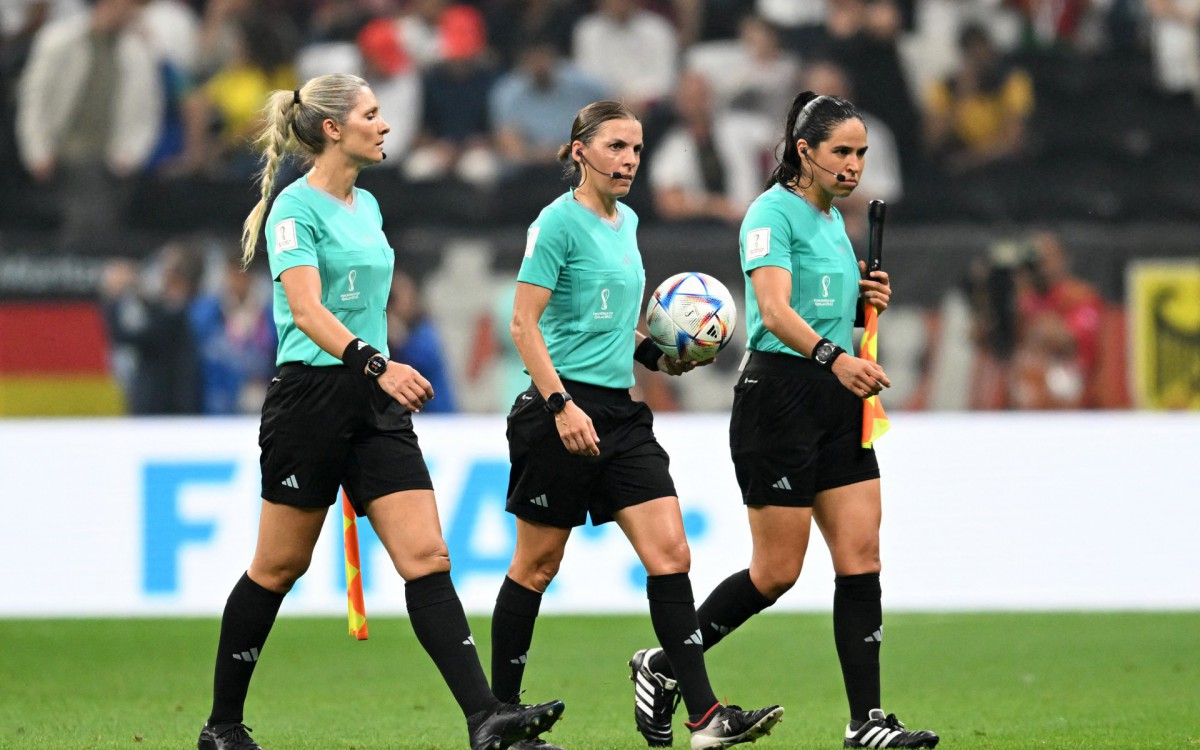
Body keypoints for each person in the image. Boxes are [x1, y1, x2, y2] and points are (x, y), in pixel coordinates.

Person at [196, 73, 563, 750]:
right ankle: (221, 727)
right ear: (334, 129)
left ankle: (485, 719)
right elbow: (306, 311)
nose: (385, 124)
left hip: (373, 403)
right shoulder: (293, 212)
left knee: (427, 555)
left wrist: (377, 374)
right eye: (372, 114)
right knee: (278, 567)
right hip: (311, 398)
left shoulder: (367, 207)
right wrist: (377, 363)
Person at [629, 92, 940, 749]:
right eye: (842, 153)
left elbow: (818, 307)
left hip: (835, 398)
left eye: (861, 154)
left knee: (862, 558)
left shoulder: (833, 219)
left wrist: (860, 307)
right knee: (776, 572)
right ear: (805, 152)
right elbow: (772, 313)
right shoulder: (769, 214)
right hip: (781, 402)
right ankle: (663, 665)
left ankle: (867, 722)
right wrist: (836, 357)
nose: (855, 166)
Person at [488, 100, 784, 750]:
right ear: (579, 151)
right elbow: (522, 324)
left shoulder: (627, 223)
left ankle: (705, 719)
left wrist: (660, 355)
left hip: (620, 413)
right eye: (616, 146)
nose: (629, 160)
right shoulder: (556, 225)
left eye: (637, 149)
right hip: (556, 409)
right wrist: (560, 406)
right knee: (536, 566)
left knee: (671, 554)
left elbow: (618, 325)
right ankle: (501, 719)